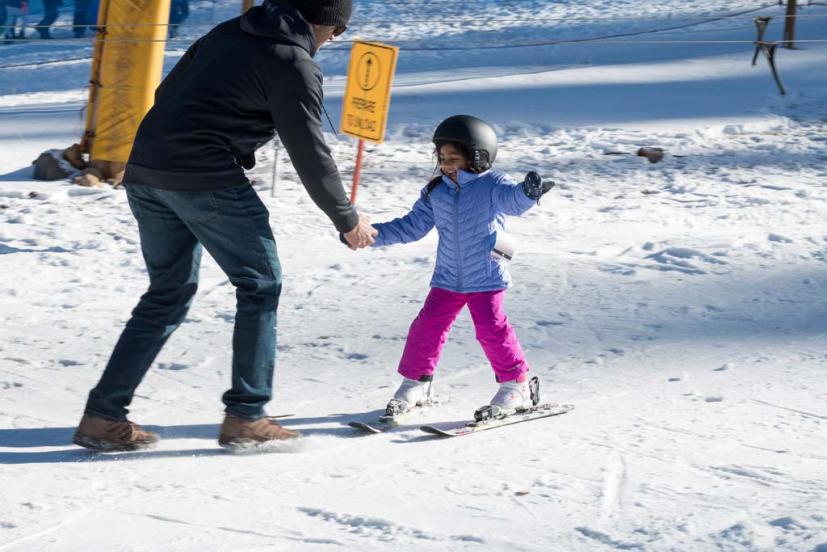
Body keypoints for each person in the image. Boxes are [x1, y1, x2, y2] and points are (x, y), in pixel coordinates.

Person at [72, 0, 376, 452]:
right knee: (260, 283)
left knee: (167, 292)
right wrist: (346, 219)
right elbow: (310, 154)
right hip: (204, 177)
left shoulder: (229, 32)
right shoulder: (294, 63)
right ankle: (247, 416)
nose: (331, 43)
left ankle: (102, 416)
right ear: (328, 25)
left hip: (147, 170)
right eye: (336, 34)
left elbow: (166, 93)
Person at [368, 115, 554, 420]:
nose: (446, 164)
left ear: (477, 157)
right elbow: (412, 227)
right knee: (426, 327)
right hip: (448, 278)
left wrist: (528, 193)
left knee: (491, 330)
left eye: (454, 158)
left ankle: (515, 385)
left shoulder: (492, 184)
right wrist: (372, 235)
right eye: (442, 158)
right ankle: (417, 382)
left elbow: (513, 202)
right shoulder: (436, 192)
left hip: (485, 276)